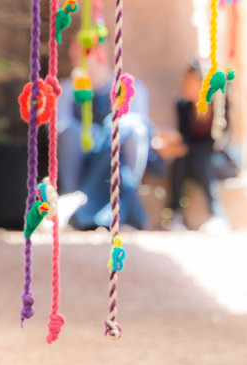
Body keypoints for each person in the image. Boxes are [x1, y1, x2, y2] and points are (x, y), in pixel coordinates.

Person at [58, 41, 181, 230]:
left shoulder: (131, 88)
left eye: (81, 49)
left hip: (115, 157)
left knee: (134, 129)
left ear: (101, 52)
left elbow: (137, 127)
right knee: (68, 132)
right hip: (82, 158)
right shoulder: (66, 90)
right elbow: (60, 126)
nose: (72, 53)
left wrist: (109, 134)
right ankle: (77, 208)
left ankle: (115, 210)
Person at [167, 58, 238, 232]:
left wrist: (184, 148)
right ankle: (175, 215)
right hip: (192, 159)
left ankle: (217, 215)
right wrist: (174, 142)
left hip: (219, 161)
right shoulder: (183, 106)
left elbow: (217, 143)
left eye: (189, 81)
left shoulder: (221, 103)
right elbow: (185, 137)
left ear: (202, 83)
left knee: (200, 159)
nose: (184, 84)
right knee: (180, 161)